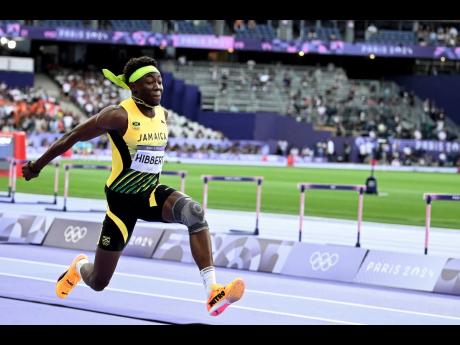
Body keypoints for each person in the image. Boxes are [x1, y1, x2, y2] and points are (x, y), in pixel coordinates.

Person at [22, 56, 245, 317]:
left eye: (160, 81)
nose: (158, 86)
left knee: (194, 212)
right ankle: (80, 266)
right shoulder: (118, 115)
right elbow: (72, 137)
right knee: (98, 281)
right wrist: (37, 166)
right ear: (134, 87)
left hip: (150, 193)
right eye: (150, 82)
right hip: (121, 204)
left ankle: (212, 291)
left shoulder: (162, 114)